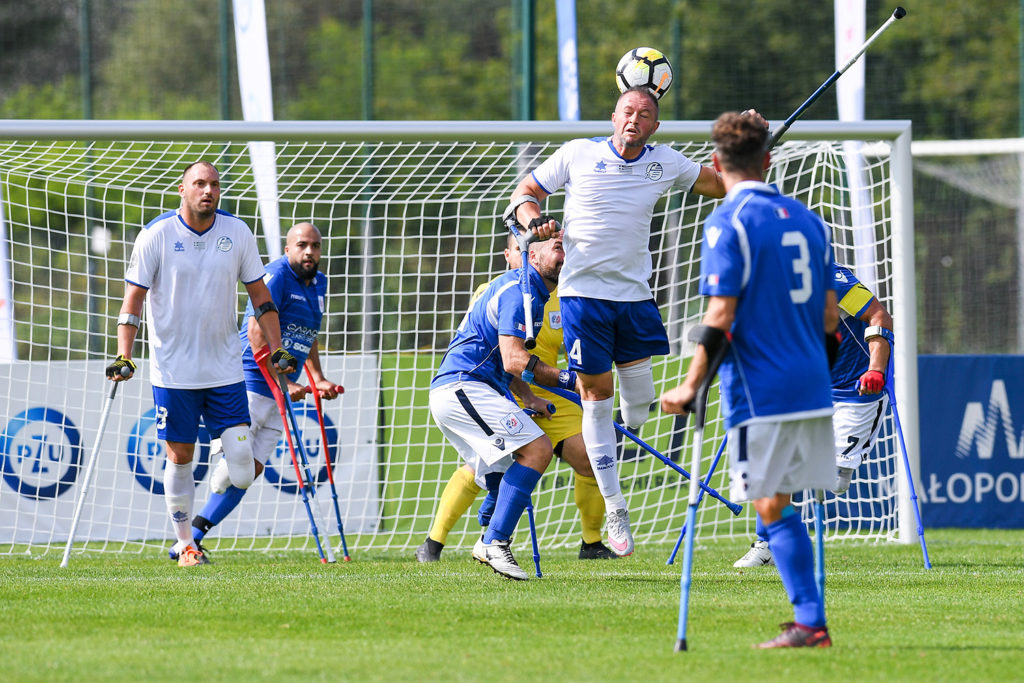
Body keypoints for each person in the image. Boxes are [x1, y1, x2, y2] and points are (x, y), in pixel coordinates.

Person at [506, 87, 754, 556]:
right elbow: (525, 192)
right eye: (626, 111)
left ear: (654, 126)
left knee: (637, 408)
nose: (633, 120)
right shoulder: (578, 153)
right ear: (613, 116)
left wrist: (749, 145)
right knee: (596, 396)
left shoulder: (667, 161)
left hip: (635, 298)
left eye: (644, 114)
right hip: (583, 298)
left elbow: (726, 184)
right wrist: (534, 219)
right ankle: (616, 505)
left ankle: (606, 440)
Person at [660, 111, 837, 648]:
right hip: (813, 381)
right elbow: (831, 318)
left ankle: (810, 621)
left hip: (761, 388)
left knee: (767, 503)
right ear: (769, 159)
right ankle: (810, 620)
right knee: (780, 500)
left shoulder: (726, 223)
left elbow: (719, 316)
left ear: (716, 164)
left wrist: (690, 387)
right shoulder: (810, 219)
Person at [107, 161, 296, 568]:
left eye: (213, 184)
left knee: (243, 471)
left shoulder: (237, 232)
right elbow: (132, 303)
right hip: (173, 373)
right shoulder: (156, 234)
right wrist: (125, 353)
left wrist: (278, 348)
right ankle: (186, 545)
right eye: (199, 184)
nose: (207, 190)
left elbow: (262, 299)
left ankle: (222, 453)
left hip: (225, 369)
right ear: (182, 189)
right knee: (179, 458)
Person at [415, 234, 615, 563]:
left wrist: (533, 398)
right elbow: (513, 360)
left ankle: (582, 542)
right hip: (470, 386)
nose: (565, 256)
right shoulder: (514, 291)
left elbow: (513, 363)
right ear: (526, 256)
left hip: (513, 388)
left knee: (505, 470)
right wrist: (570, 380)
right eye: (557, 249)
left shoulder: (549, 294)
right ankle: (474, 542)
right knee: (532, 452)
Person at [166, 222, 341, 560]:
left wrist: (317, 377)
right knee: (240, 466)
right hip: (250, 381)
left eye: (315, 246)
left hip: (282, 388)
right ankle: (221, 468)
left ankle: (192, 538)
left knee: (251, 474)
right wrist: (285, 382)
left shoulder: (320, 282)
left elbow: (309, 332)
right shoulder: (274, 276)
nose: (309, 252)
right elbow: (256, 333)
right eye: (302, 245)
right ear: (288, 248)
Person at [733, 263, 894, 568]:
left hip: (854, 389)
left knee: (835, 481)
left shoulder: (833, 279)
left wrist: (876, 369)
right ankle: (770, 543)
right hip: (807, 388)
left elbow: (879, 316)